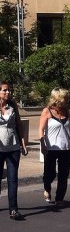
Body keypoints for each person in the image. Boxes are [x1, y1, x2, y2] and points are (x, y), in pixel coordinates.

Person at [39, 88, 70, 207]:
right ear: (58, 99)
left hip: (65, 148)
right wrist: (43, 144)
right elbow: (41, 129)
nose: (67, 100)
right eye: (65, 98)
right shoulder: (47, 111)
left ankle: (59, 198)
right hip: (51, 148)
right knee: (49, 174)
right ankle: (47, 188)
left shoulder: (66, 111)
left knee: (64, 174)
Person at [0, 81, 28, 220]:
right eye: (4, 90)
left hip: (13, 147)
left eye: (9, 90)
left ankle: (13, 209)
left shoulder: (12, 105)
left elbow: (19, 123)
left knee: (13, 179)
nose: (8, 93)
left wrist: (23, 143)